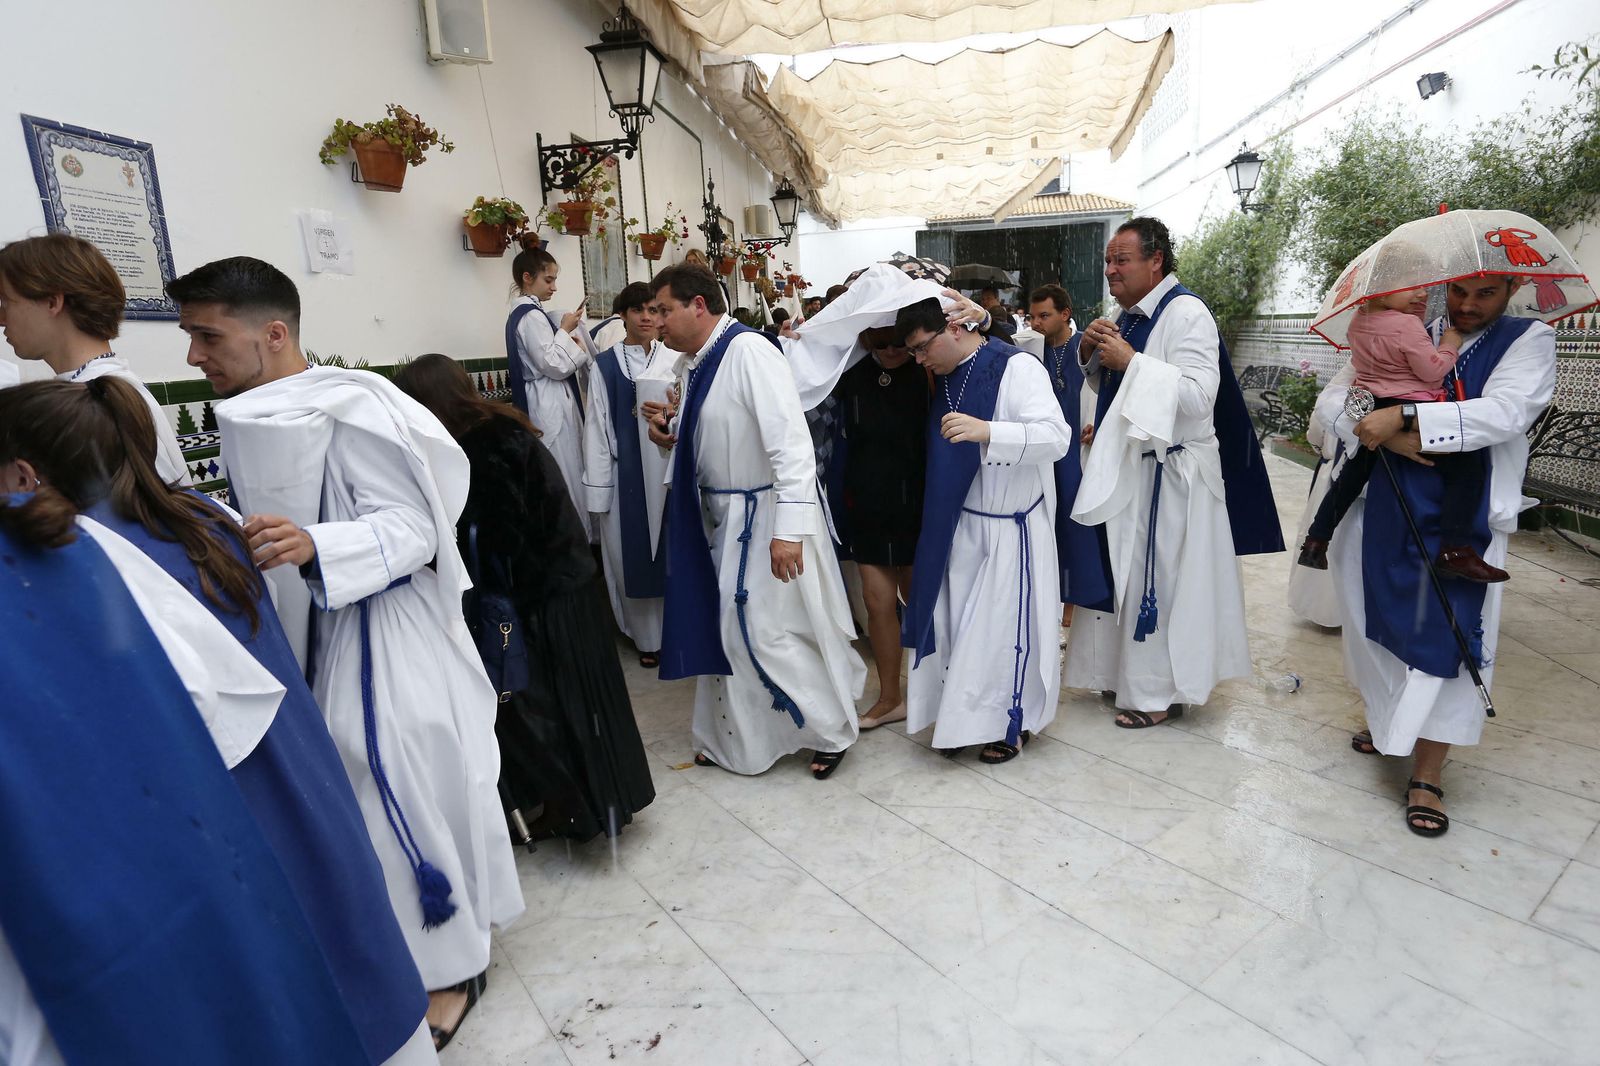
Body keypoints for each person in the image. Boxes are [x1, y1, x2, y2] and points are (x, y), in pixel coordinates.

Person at [0, 378, 435, 1061]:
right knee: (362, 966)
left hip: (244, 820)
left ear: (24, 475)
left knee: (304, 988)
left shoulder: (73, 570)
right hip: (310, 791)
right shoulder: (202, 515)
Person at [166, 257, 524, 1043]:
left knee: (392, 775)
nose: (194, 356)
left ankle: (451, 967)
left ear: (274, 332)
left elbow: (414, 527)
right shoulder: (264, 403)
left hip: (382, 627)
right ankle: (393, 944)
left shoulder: (354, 407)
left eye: (206, 335)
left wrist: (316, 544)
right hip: (314, 622)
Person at [1316, 275, 1555, 835]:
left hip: (1459, 518)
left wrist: (1404, 420)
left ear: (1512, 288)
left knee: (1445, 634)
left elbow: (1507, 412)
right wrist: (1373, 423)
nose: (1468, 306)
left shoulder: (1528, 339)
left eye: (1486, 295)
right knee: (1376, 621)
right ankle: (1387, 721)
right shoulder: (1405, 327)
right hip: (1383, 503)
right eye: (1460, 293)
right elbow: (1341, 396)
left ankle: (1427, 773)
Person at [396, 353, 655, 841]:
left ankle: (575, 811)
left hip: (543, 596)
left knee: (546, 707)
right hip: (567, 585)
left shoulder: (481, 445)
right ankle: (604, 803)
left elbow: (501, 533)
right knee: (582, 701)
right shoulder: (497, 427)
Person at [645, 263, 864, 777]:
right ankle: (737, 739)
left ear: (698, 306)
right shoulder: (697, 362)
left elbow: (791, 446)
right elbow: (718, 428)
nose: (656, 321)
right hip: (726, 516)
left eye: (664, 309)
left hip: (763, 515)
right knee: (730, 630)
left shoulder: (749, 352)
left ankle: (830, 730)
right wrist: (670, 431)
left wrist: (788, 533)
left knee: (765, 632)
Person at [1067, 217, 1282, 727]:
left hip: (1174, 475)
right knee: (1126, 570)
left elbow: (1197, 397)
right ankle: (1122, 677)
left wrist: (1131, 361)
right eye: (1108, 262)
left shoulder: (1188, 314)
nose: (1110, 271)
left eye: (1121, 260)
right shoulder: (1132, 315)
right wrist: (1090, 356)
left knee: (1160, 581)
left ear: (1155, 260)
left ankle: (1156, 694)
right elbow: (1116, 391)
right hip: (1134, 470)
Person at [896, 298, 1072, 761]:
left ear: (954, 328)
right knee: (959, 630)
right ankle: (959, 722)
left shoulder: (1017, 367)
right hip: (964, 525)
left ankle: (1009, 724)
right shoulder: (948, 374)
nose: (919, 360)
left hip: (1012, 527)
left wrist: (990, 431)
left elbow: (1057, 437)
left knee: (1000, 632)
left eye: (922, 348)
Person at [1298, 287, 1505, 582]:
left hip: (1374, 405)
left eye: (1424, 287)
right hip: (1407, 408)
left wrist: (1411, 309)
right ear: (1381, 291)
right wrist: (1449, 346)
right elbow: (1432, 372)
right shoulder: (1407, 325)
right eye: (1411, 287)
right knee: (1469, 464)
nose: (1421, 293)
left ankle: (1316, 541)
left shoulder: (1360, 320)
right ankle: (1456, 551)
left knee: (1351, 478)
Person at [0, 233, 186, 483]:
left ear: (52, 302)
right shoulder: (106, 383)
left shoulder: (97, 401)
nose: (1, 319)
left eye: (5, 303)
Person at [830, 325, 928, 729]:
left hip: (919, 501)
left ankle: (934, 695)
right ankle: (890, 696)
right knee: (877, 603)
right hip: (868, 499)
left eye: (898, 341)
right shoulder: (849, 373)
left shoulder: (929, 370)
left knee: (921, 602)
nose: (890, 350)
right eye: (879, 341)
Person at [581, 282, 676, 666]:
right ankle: (646, 639)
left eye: (655, 310)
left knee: (672, 553)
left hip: (668, 470)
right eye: (639, 310)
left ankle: (676, 631)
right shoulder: (604, 365)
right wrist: (599, 491)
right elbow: (597, 429)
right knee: (628, 558)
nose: (648, 317)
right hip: (627, 478)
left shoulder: (674, 359)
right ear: (623, 315)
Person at [1030, 284, 1114, 642]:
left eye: (1044, 315)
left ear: (1065, 314)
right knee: (1047, 526)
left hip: (1078, 453)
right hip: (1042, 454)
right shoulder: (1028, 350)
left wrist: (1102, 423)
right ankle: (1050, 599)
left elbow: (1113, 390)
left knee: (1076, 525)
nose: (1036, 323)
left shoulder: (1088, 345)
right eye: (1032, 316)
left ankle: (1075, 604)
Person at [506, 243, 593, 539]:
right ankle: (572, 540)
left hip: (552, 398)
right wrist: (566, 332)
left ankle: (578, 538)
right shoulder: (529, 316)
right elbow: (552, 363)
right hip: (547, 401)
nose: (554, 286)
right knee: (563, 471)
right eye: (549, 279)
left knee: (570, 467)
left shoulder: (533, 313)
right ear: (527, 277)